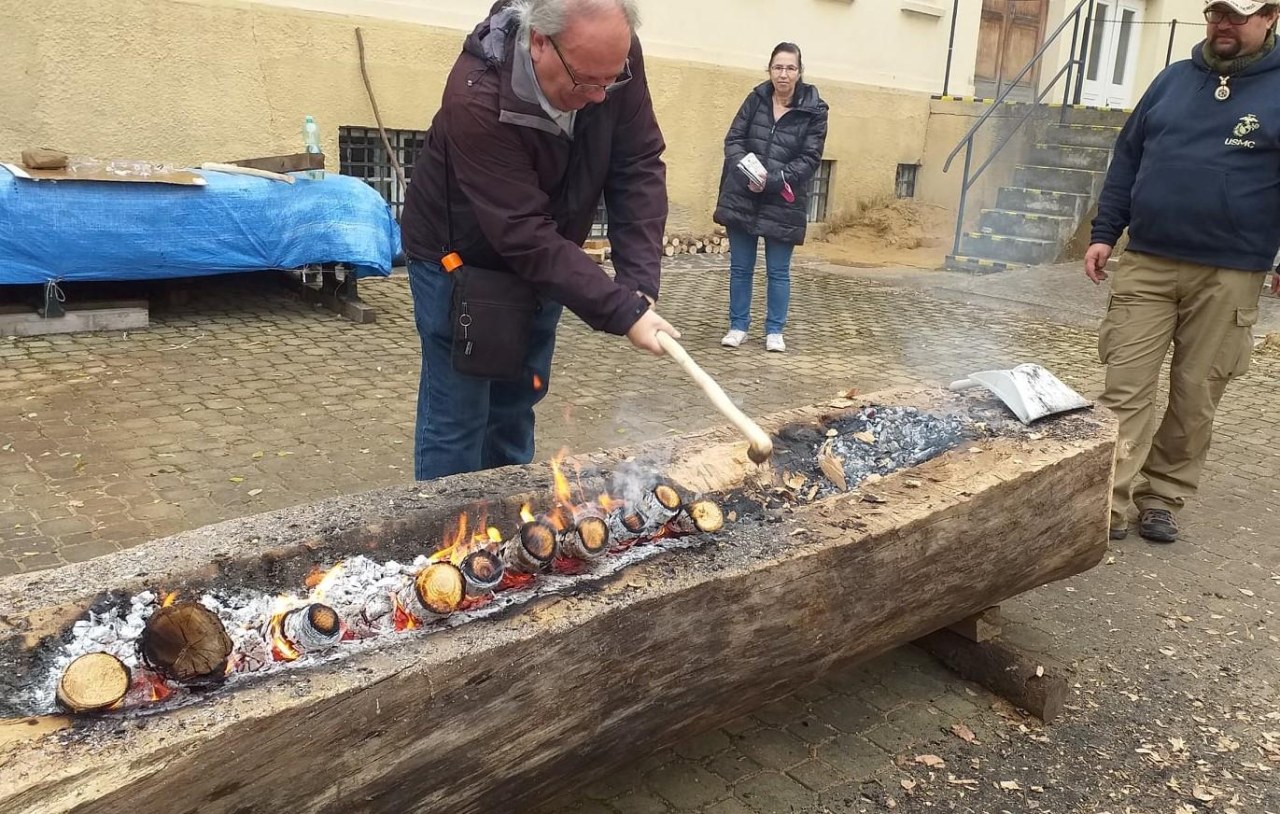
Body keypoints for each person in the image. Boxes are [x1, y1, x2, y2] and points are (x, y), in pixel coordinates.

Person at [399, 0, 678, 480]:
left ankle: (513, 534)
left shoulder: (613, 61)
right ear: (540, 41)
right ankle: (445, 541)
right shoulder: (476, 97)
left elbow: (636, 163)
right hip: (460, 257)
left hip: (549, 256)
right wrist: (618, 311)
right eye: (586, 81)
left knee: (515, 402)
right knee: (460, 416)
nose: (598, 96)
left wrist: (637, 282)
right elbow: (522, 232)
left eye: (610, 81)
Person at [1085, 0, 1280, 543]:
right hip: (1147, 260)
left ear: (1270, 17)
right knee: (1125, 387)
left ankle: (1163, 495)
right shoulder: (1171, 80)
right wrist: (1105, 233)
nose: (1224, 24)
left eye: (1237, 16)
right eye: (1216, 13)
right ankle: (1108, 501)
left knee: (1196, 393)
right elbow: (1127, 159)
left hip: (1232, 270)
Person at [713, 42, 829, 353]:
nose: (784, 74)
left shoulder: (814, 110)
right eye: (778, 67)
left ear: (800, 72)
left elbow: (810, 157)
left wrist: (774, 180)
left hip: (783, 199)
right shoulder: (755, 99)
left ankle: (775, 330)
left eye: (790, 68)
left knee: (778, 270)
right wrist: (747, 174)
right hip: (743, 195)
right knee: (741, 267)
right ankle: (738, 326)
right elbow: (734, 140)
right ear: (769, 69)